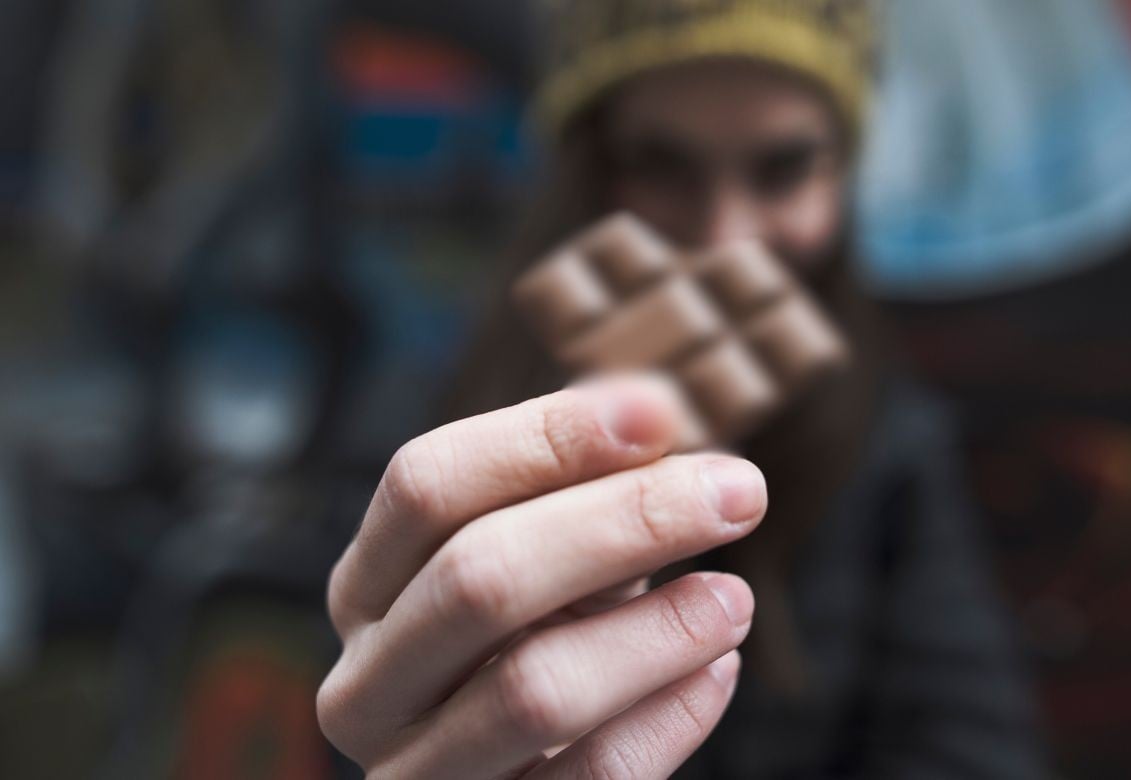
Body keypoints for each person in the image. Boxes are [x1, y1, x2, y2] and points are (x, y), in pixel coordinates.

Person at [317, 0, 1045, 776]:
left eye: (784, 168)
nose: (725, 239)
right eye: (664, 166)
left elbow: (980, 750)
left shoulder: (892, 442)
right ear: (585, 178)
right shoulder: (427, 433)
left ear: (844, 179)